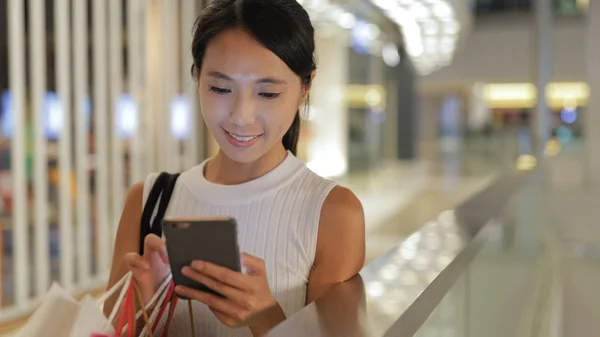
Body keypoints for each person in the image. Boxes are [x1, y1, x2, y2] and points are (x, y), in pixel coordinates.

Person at [103, 0, 365, 336]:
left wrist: (266, 317)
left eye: (267, 93)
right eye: (220, 88)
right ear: (197, 77)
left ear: (305, 88)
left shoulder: (333, 213)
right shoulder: (149, 200)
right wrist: (146, 306)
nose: (241, 115)